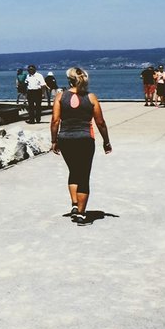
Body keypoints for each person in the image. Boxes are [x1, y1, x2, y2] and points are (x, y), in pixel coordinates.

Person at [49, 66, 112, 225]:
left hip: (65, 139)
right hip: (85, 139)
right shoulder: (91, 98)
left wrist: (54, 141)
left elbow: (55, 121)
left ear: (69, 80)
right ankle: (81, 214)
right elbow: (100, 122)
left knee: (74, 171)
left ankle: (75, 205)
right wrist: (106, 141)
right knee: (83, 175)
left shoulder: (60, 97)